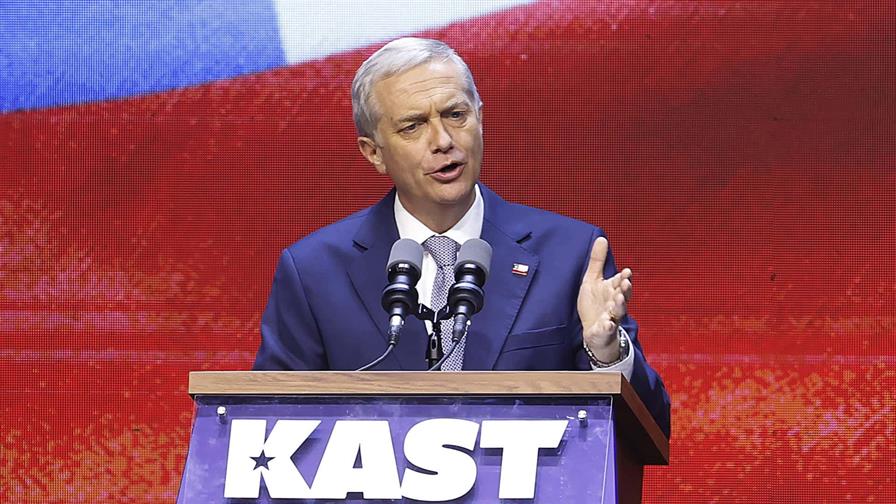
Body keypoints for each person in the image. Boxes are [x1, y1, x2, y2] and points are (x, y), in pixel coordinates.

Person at [253, 37, 670, 436]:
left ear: (480, 118)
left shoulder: (571, 255)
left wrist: (606, 354)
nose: (443, 141)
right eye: (413, 126)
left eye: (455, 115)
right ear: (373, 152)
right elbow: (267, 426)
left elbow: (650, 428)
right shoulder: (313, 272)